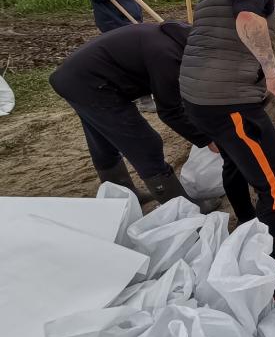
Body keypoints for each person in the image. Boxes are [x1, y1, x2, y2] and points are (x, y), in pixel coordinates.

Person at [179, 0, 275, 302]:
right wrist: (271, 71)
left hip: (199, 98)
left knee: (237, 163)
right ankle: (268, 281)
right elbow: (249, 18)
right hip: (228, 102)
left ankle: (246, 220)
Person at [49, 22, 219, 208]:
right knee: (145, 142)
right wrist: (206, 139)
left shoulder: (179, 37)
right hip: (91, 85)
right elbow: (170, 111)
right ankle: (181, 207)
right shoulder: (167, 56)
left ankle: (121, 197)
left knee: (103, 143)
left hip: (75, 78)